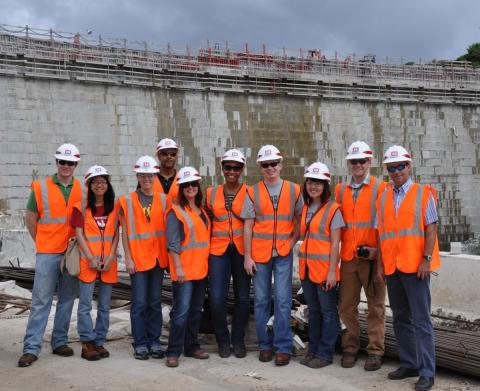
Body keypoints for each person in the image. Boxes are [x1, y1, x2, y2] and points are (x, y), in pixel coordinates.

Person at [376, 145, 440, 391]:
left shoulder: (424, 193)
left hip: (416, 267)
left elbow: (431, 227)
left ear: (409, 165)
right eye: (391, 168)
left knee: (421, 320)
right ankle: (410, 363)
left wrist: (425, 258)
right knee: (401, 318)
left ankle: (427, 372)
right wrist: (381, 265)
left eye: (400, 166)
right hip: (393, 267)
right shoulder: (383, 198)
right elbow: (382, 234)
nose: (396, 171)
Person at [18, 143, 85, 367]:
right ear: (57, 162)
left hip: (72, 252)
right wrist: (43, 242)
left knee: (67, 299)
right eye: (62, 162)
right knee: (40, 301)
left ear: (76, 165)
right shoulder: (40, 187)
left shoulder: (82, 189)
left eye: (71, 163)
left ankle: (59, 341)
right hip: (48, 253)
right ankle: (31, 348)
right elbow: (30, 220)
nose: (66, 166)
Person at [242, 144, 303, 366]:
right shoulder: (252, 191)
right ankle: (265, 345)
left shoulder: (294, 190)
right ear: (260, 167)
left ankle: (282, 347)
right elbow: (248, 226)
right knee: (260, 301)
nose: (270, 168)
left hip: (283, 253)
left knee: (284, 300)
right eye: (266, 165)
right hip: (259, 254)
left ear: (281, 164)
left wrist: (292, 241)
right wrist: (247, 257)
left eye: (274, 164)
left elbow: (300, 220)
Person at [335, 141, 388, 371]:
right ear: (349, 163)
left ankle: (375, 351)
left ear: (369, 162)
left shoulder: (381, 188)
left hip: (372, 258)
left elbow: (387, 226)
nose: (358, 165)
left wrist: (380, 256)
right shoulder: (339, 190)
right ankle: (350, 348)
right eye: (354, 161)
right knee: (347, 307)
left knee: (376, 307)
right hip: (348, 258)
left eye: (362, 161)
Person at [119, 156, 170, 360]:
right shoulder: (127, 201)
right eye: (143, 175)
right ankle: (140, 343)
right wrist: (128, 259)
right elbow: (125, 233)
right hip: (138, 260)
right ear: (138, 177)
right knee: (139, 302)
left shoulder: (165, 200)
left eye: (150, 175)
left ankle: (154, 341)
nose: (147, 179)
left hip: (157, 260)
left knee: (155, 302)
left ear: (155, 176)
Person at [205, 149, 251, 358]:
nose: (232, 171)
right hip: (218, 249)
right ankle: (223, 339)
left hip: (243, 249)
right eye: (228, 167)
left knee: (242, 297)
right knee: (216, 297)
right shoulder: (210, 193)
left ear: (242, 169)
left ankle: (238, 339)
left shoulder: (251, 192)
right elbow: (204, 222)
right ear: (222, 169)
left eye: (236, 167)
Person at [71, 165, 119, 361]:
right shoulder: (80, 206)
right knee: (84, 305)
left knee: (105, 305)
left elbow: (117, 234)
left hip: (108, 262)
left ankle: (99, 341)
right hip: (87, 261)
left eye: (103, 181)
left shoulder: (115, 207)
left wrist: (110, 257)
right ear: (89, 185)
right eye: (96, 182)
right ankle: (87, 342)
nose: (100, 185)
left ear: (108, 184)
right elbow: (78, 233)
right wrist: (90, 257)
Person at [298, 162, 344, 369]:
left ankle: (326, 353)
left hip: (325, 270)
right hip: (307, 269)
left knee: (328, 312)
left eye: (317, 182)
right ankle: (314, 349)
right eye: (310, 181)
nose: (313, 186)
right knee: (314, 311)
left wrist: (332, 271)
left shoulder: (333, 209)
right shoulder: (306, 207)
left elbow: (336, 243)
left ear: (325, 185)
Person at [165, 166, 211, 367]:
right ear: (181, 189)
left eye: (194, 184)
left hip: (200, 270)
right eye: (187, 185)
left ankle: (191, 346)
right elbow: (173, 244)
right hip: (184, 271)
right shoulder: (176, 213)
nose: (191, 187)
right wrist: (179, 268)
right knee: (181, 311)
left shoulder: (201, 210)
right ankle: (173, 351)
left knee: (195, 310)